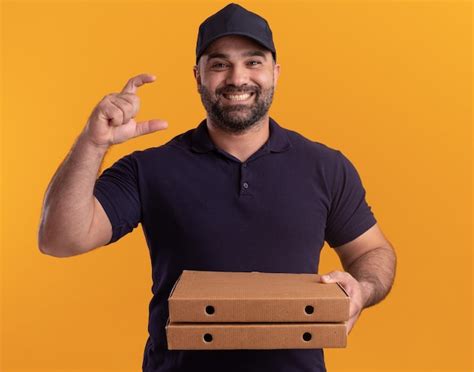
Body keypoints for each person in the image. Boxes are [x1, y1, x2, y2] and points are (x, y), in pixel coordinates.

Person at [38, 3, 396, 372]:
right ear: (198, 75)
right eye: (220, 64)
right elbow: (59, 239)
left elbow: (373, 252)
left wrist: (362, 290)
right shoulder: (151, 168)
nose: (237, 78)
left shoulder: (325, 167)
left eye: (253, 62)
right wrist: (94, 143)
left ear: (275, 72)